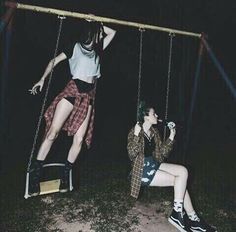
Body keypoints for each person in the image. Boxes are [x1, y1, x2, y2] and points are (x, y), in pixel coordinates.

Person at [28, 20, 116, 196]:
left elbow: (112, 32)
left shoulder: (99, 50)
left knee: (79, 140)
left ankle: (64, 178)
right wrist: (42, 79)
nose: (101, 35)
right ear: (92, 33)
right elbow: (54, 61)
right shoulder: (74, 47)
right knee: (53, 132)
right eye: (98, 32)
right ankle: (35, 178)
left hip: (89, 96)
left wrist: (96, 21)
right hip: (72, 90)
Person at [127, 101, 217, 232]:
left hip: (154, 164)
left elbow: (161, 155)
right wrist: (135, 135)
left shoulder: (154, 132)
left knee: (183, 172)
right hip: (142, 170)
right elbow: (131, 154)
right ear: (146, 117)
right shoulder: (135, 131)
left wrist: (171, 136)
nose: (157, 115)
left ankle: (192, 218)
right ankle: (179, 216)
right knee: (178, 181)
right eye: (154, 113)